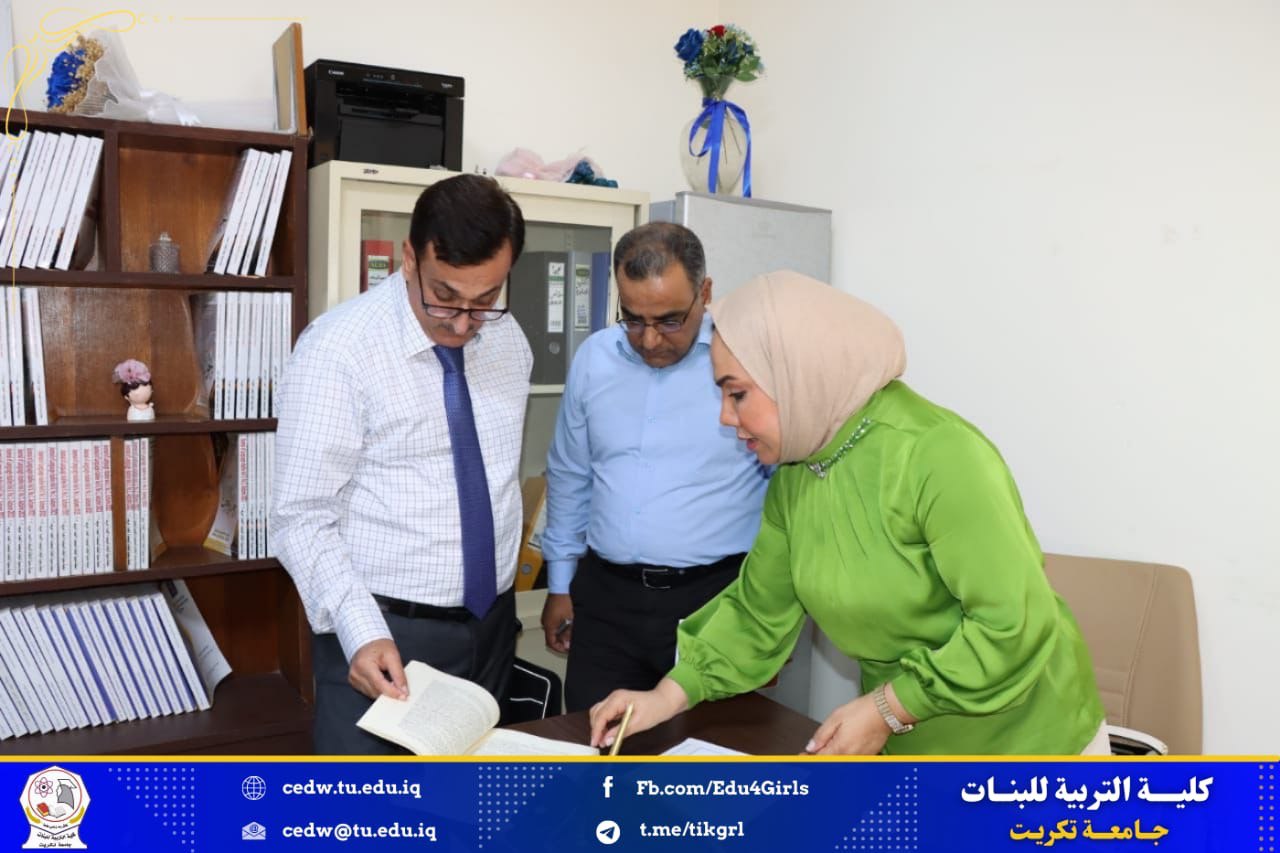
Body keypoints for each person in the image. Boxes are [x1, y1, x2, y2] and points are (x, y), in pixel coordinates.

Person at [588, 271, 1107, 755]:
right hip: (908, 740)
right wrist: (667, 696)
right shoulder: (798, 471)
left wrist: (888, 707)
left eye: (737, 394)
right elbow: (758, 611)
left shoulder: (936, 455)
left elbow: (1012, 626)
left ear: (797, 375)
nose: (726, 417)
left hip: (1031, 746)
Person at [272, 174, 530, 754]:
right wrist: (361, 632)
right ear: (410, 258)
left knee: (466, 803)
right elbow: (300, 516)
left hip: (491, 629)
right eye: (444, 296)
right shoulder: (339, 350)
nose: (462, 322)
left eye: (485, 299)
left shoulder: (508, 340)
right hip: (382, 637)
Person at [540, 223, 770, 712]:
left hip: (716, 603)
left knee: (708, 751)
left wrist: (771, 615)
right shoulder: (595, 359)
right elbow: (570, 474)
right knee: (593, 741)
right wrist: (560, 583)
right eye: (633, 318)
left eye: (669, 321)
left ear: (705, 293)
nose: (649, 340)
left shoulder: (748, 365)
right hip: (606, 601)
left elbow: (786, 493)